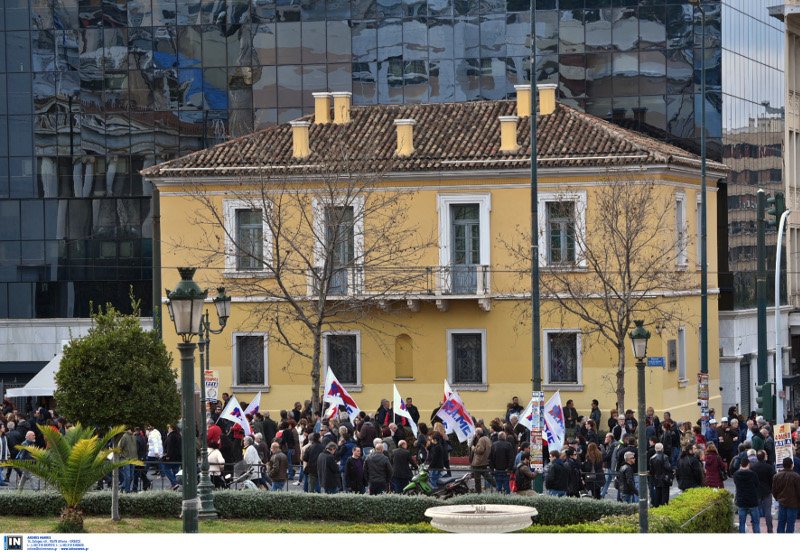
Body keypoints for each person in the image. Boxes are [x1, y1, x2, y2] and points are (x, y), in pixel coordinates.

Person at [772, 457, 800, 533]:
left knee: (781, 523)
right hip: (793, 503)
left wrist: (777, 498)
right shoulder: (796, 476)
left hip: (782, 502)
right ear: (792, 465)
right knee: (790, 524)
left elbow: (774, 490)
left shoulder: (777, 476)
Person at [733, 457, 761, 533]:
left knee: (742, 523)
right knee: (756, 522)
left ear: (740, 465)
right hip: (752, 501)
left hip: (741, 500)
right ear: (748, 464)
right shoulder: (753, 474)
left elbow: (736, 484)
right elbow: (757, 485)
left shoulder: (736, 474)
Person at [751, 449, 776, 533]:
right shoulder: (769, 467)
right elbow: (773, 479)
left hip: (756, 492)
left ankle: (756, 529)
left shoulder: (752, 467)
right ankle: (770, 529)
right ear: (764, 457)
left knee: (756, 512)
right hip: (767, 491)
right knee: (767, 512)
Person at [649, 442, 672, 507]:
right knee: (665, 496)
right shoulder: (665, 457)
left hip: (656, 478)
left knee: (657, 494)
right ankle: (664, 507)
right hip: (664, 478)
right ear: (662, 449)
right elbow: (668, 467)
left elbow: (651, 471)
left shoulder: (652, 458)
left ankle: (657, 507)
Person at [470, 427, 492, 493]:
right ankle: (496, 485)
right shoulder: (487, 438)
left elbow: (480, 450)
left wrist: (473, 448)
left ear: (477, 434)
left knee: (477, 480)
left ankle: (478, 493)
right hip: (484, 461)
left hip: (478, 462)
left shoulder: (481, 440)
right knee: (487, 476)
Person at [118, 427, 138, 493]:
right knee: (128, 476)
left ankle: (122, 487)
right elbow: (119, 447)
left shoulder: (133, 436)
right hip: (126, 459)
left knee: (131, 476)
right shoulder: (124, 437)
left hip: (133, 459)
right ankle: (127, 491)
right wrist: (121, 456)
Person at [163, 424, 182, 490]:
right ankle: (175, 485)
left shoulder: (171, 436)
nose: (168, 429)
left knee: (166, 468)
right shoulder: (179, 435)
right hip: (178, 457)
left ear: (171, 428)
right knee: (175, 471)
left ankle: (174, 483)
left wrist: (168, 456)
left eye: (168, 427)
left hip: (171, 457)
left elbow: (169, 447)